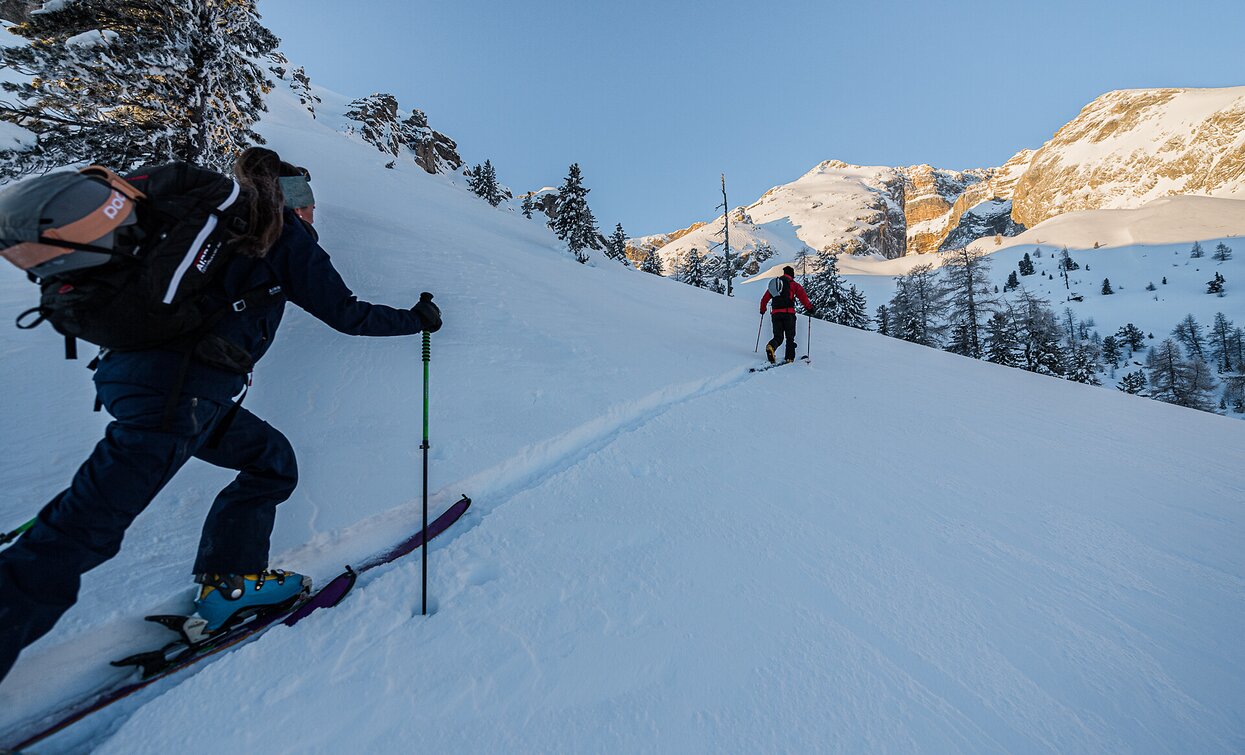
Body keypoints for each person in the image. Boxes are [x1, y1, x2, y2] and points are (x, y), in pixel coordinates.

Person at [0, 147, 442, 684]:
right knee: (80, 533)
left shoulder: (208, 218)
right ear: (289, 197)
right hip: (179, 398)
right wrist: (418, 321)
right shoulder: (280, 231)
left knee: (270, 461)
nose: (310, 211)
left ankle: (229, 583)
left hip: (150, 386)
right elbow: (347, 315)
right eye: (304, 198)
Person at [759, 265, 815, 364]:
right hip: (789, 314)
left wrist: (763, 309)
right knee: (790, 337)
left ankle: (771, 346)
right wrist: (810, 308)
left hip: (776, 314)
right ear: (791, 274)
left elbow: (764, 299)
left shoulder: (776, 284)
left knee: (778, 337)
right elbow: (803, 297)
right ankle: (789, 358)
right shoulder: (794, 285)